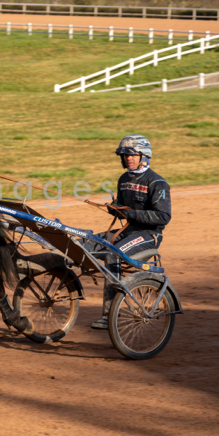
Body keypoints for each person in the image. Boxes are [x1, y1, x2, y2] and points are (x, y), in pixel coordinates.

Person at [88, 134, 171, 330]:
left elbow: (163, 217)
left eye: (132, 155)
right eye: (124, 155)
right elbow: (122, 206)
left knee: (112, 255)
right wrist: (114, 207)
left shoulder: (158, 183)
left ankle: (109, 315)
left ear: (144, 156)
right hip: (127, 231)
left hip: (148, 236)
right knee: (85, 242)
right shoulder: (124, 179)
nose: (128, 159)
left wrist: (131, 213)